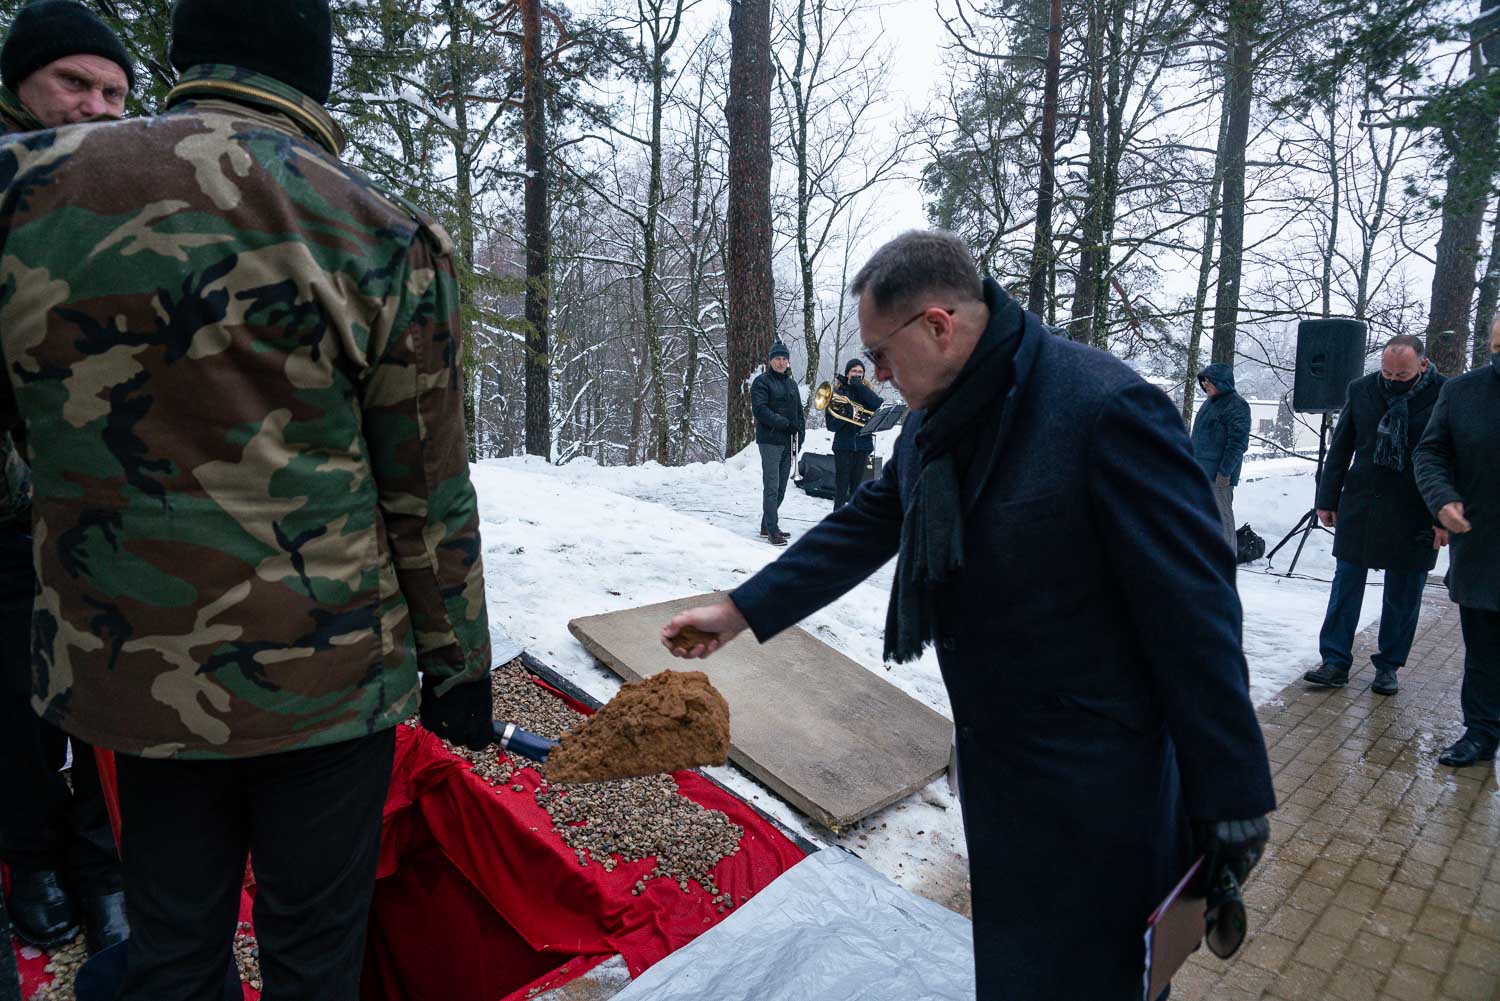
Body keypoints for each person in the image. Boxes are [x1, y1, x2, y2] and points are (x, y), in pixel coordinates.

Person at [0, 2, 495, 998]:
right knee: (314, 952)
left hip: (129, 666)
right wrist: (458, 670)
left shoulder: (24, 196)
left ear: (182, 59)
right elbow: (425, 492)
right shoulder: (374, 228)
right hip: (324, 680)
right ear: (310, 75)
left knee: (175, 944)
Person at [661, 231, 1275, 1001]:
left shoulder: (1102, 408)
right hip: (1000, 774)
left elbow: (1197, 606)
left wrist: (1232, 791)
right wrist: (741, 609)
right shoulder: (933, 423)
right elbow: (867, 523)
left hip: (1099, 789)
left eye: (882, 356)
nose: (877, 377)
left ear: (938, 326)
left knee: (1094, 980)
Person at [0, 0, 133, 956]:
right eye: (73, 84)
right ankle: (34, 855)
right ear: (20, 85)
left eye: (115, 91)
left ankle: (102, 862)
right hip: (11, 512)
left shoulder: (126, 192)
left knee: (111, 687)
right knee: (12, 694)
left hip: (108, 503)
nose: (94, 106)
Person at [1303, 336, 1446, 696]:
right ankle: (1334, 661)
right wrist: (1327, 497)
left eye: (1403, 374)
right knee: (1345, 586)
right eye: (1387, 371)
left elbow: (1452, 457)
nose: (1393, 379)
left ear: (1423, 366)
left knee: (1403, 593)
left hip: (1416, 508)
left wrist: (1444, 514)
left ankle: (1388, 666)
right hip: (1362, 503)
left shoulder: (1446, 394)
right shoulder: (1362, 389)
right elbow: (1342, 447)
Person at [1413, 317, 1500, 768]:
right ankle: (1482, 732)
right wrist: (1442, 499)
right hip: (1483, 544)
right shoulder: (1463, 392)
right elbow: (1431, 451)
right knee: (1484, 650)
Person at [1191, 362, 1252, 548]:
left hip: (1218, 477)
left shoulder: (1237, 405)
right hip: (1200, 473)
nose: (1205, 385)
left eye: (1209, 381)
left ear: (1222, 382)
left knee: (1223, 521)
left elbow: (1237, 444)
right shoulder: (1209, 403)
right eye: (1204, 381)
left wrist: (1225, 472)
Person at [751, 339, 805, 546]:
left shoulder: (791, 384)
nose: (781, 362)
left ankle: (766, 525)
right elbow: (760, 410)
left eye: (784, 359)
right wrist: (784, 424)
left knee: (781, 488)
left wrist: (800, 437)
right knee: (771, 487)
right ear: (771, 361)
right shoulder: (762, 382)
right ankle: (773, 530)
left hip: (787, 442)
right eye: (778, 359)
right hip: (770, 441)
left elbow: (799, 414)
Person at [829, 357, 883, 509]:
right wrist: (847, 415)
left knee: (856, 490)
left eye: (860, 372)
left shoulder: (867, 392)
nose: (857, 374)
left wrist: (861, 387)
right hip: (843, 446)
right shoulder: (838, 393)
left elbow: (878, 406)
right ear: (847, 373)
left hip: (863, 446)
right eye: (854, 371)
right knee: (841, 489)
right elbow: (831, 425)